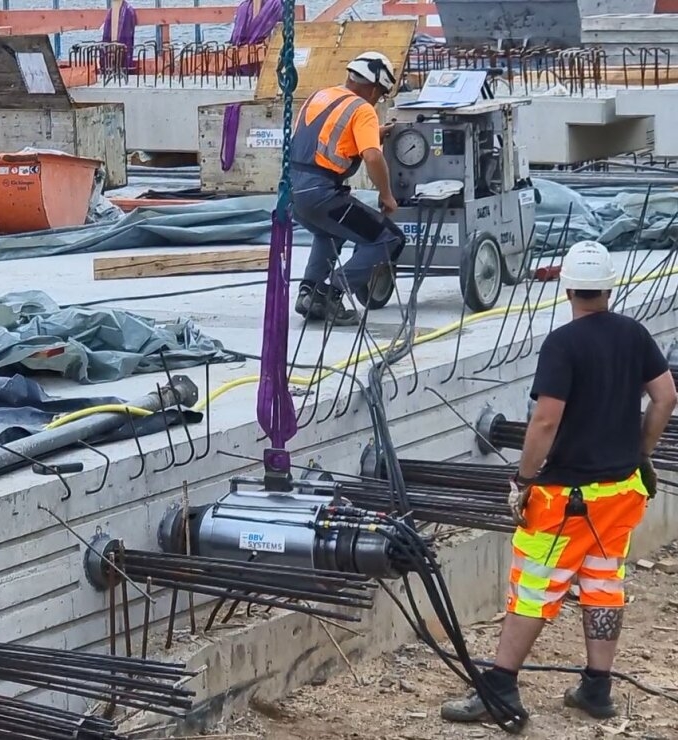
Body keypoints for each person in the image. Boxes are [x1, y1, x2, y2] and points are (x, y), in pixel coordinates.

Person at [441, 240, 678, 728]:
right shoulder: (633, 334)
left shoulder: (563, 344)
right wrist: (641, 454)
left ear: (568, 288)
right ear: (608, 287)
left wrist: (524, 479)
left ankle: (500, 689)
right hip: (620, 492)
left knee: (532, 589)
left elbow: (545, 422)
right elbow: (665, 397)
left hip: (567, 499)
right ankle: (597, 688)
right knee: (602, 582)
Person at [290, 51, 406, 326]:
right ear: (374, 86)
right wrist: (386, 195)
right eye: (380, 94)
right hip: (322, 194)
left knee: (330, 233)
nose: (377, 100)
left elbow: (328, 137)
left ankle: (308, 294)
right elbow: (373, 157)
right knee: (389, 238)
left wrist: (374, 132)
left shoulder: (320, 96)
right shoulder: (362, 109)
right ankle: (331, 293)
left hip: (295, 194)